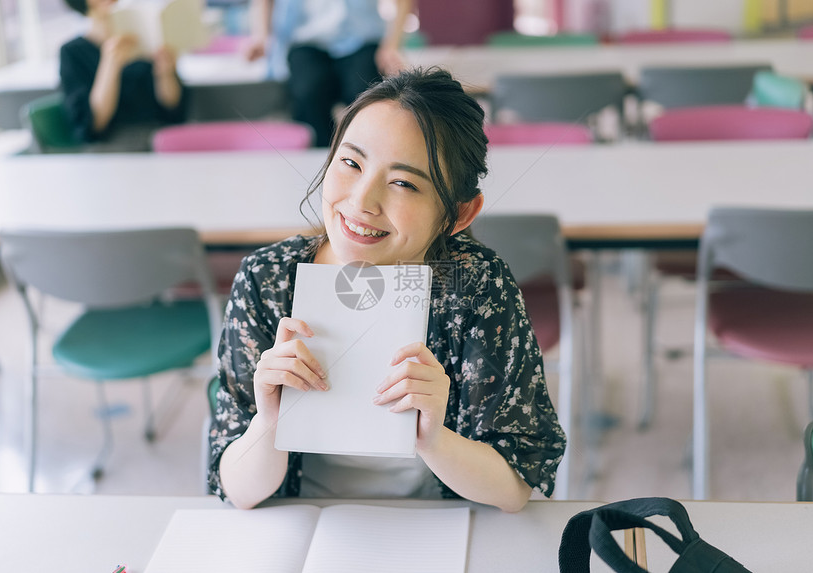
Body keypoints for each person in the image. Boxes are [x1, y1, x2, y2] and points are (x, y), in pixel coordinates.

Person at [208, 67, 565, 512]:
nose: (362, 201)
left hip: (437, 527)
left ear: (460, 214)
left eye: (403, 183)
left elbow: (514, 488)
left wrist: (434, 439)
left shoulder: (476, 285)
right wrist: (269, 421)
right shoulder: (268, 280)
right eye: (351, 163)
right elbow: (236, 490)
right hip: (300, 523)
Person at [243, 0, 414, 147]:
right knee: (308, 92)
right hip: (308, 40)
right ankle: (322, 154)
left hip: (363, 40)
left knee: (367, 96)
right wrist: (262, 36)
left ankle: (364, 152)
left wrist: (391, 45)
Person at [60, 0, 188, 150]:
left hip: (160, 136)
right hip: (112, 145)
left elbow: (173, 107)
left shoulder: (147, 40)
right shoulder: (72, 52)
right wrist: (110, 64)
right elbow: (94, 124)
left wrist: (165, 73)